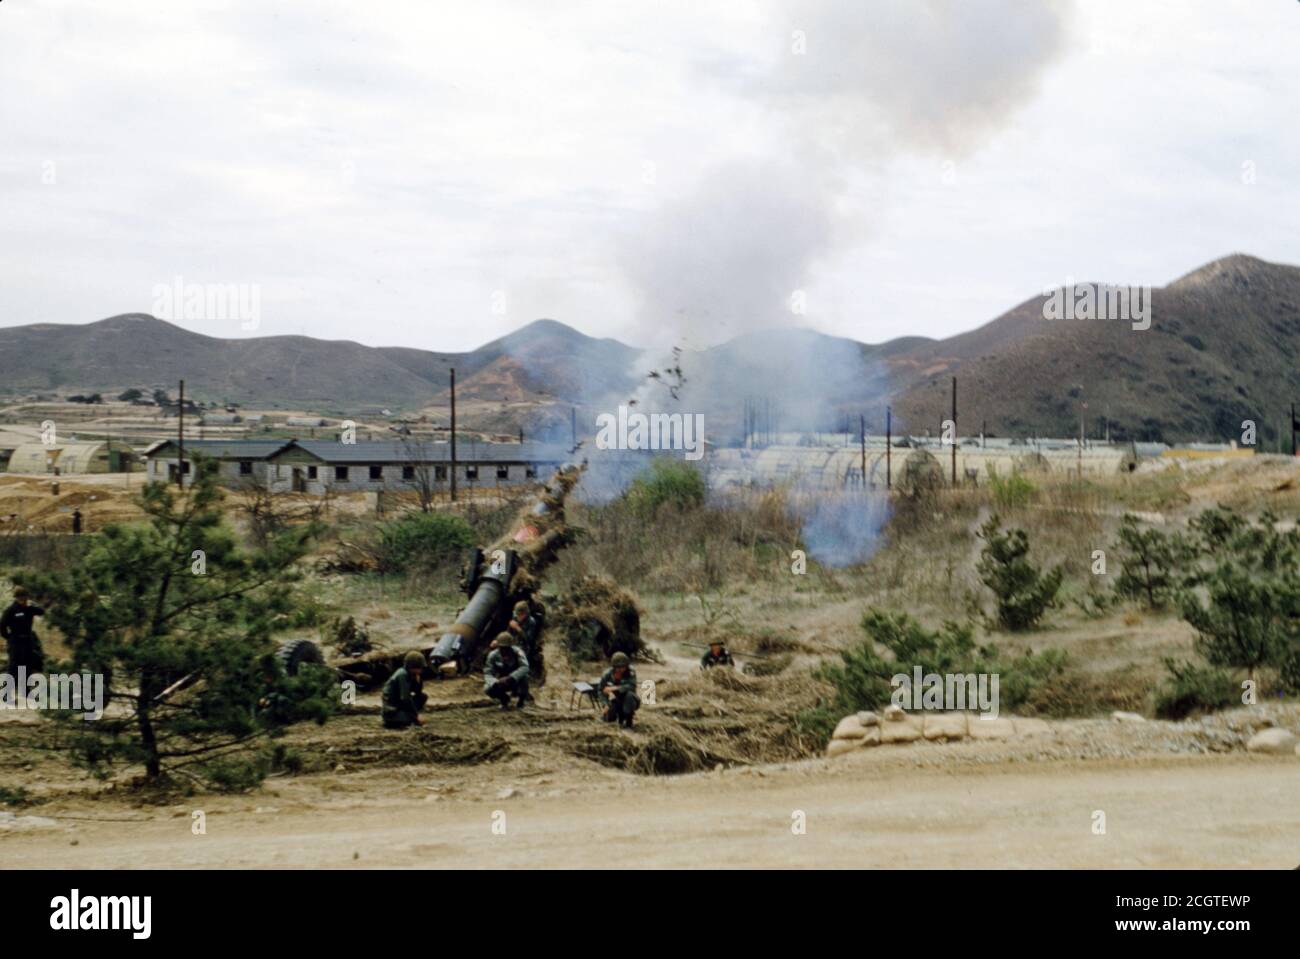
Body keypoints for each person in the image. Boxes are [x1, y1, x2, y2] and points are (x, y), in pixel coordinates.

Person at [1, 587, 46, 682]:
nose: (22, 599)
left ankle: (24, 691)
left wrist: (32, 605)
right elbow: (2, 625)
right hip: (15, 641)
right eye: (20, 597)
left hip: (27, 640)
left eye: (24, 597)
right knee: (13, 666)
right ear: (16, 598)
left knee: (26, 666)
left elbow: (41, 611)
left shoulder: (29, 609)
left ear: (27, 597)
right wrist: (8, 637)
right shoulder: (11, 610)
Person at [381, 651, 428, 729]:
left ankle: (407, 717)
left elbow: (418, 692)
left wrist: (418, 681)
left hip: (399, 704)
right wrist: (416, 716)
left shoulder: (409, 674)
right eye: (419, 667)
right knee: (412, 720)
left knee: (422, 697)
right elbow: (405, 698)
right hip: (391, 711)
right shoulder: (402, 675)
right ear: (413, 667)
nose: (421, 670)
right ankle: (399, 720)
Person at [484, 631, 530, 710]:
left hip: (515, 680)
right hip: (501, 681)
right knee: (488, 688)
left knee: (524, 678)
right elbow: (488, 673)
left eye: (506, 648)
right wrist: (495, 682)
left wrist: (511, 677)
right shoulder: (493, 656)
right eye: (502, 648)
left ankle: (521, 701)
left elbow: (525, 667)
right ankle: (504, 699)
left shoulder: (517, 652)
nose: (504, 650)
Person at [506, 600, 543, 692]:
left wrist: (518, 629)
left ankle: (522, 690)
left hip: (525, 647)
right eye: (517, 614)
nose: (518, 617)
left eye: (521, 615)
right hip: (514, 644)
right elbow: (509, 632)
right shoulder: (515, 617)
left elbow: (529, 639)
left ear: (526, 614)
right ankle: (512, 688)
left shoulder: (531, 622)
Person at [598, 652, 639, 729]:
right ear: (614, 667)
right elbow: (601, 690)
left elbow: (632, 686)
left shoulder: (630, 672)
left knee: (629, 696)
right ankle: (618, 716)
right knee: (610, 719)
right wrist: (605, 704)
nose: (621, 669)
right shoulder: (607, 674)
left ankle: (628, 720)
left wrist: (615, 688)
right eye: (618, 667)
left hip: (629, 700)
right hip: (614, 700)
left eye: (623, 667)